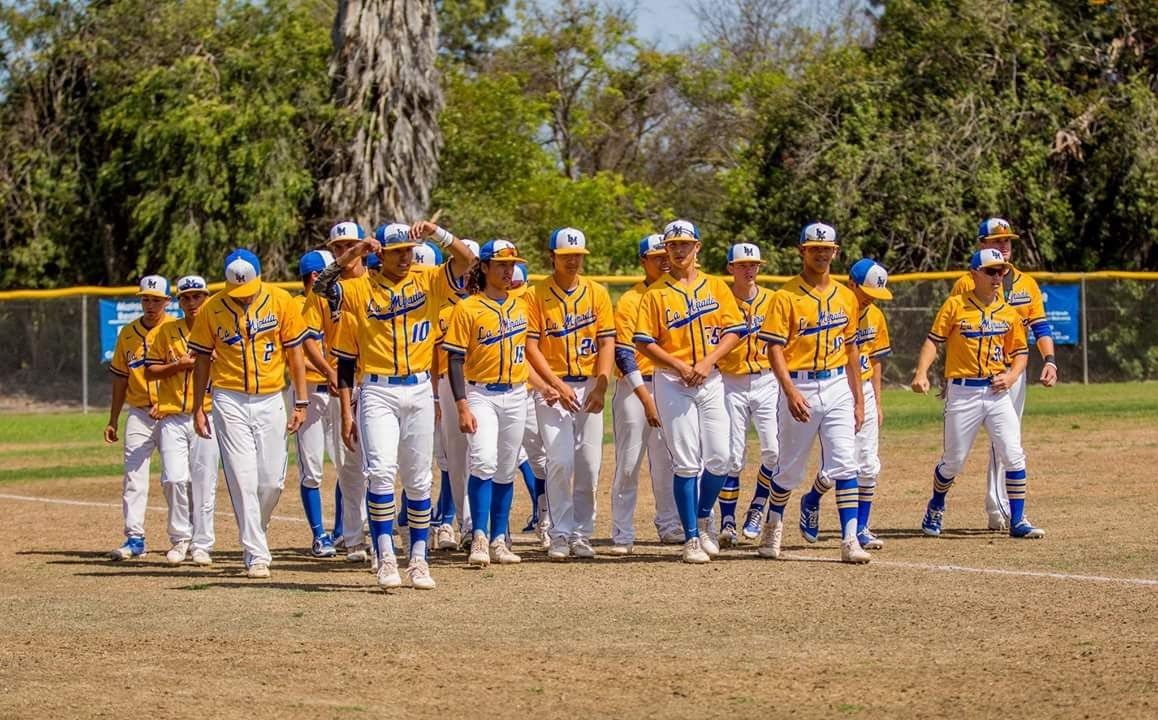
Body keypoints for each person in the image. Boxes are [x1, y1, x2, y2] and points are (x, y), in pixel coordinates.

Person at [332, 220, 475, 591]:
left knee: (418, 478)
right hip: (377, 389)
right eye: (396, 252)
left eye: (408, 250)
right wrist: (353, 254)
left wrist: (437, 234)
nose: (404, 258)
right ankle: (386, 557)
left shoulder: (427, 279)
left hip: (419, 387)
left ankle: (419, 560)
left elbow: (468, 260)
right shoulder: (359, 288)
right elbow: (321, 287)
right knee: (380, 473)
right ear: (381, 254)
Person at [189, 249, 310, 579]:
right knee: (243, 478)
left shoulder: (281, 301)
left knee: (271, 480)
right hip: (229, 398)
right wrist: (199, 406)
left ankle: (256, 524)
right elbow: (201, 361)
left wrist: (301, 401)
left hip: (271, 396)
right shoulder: (212, 309)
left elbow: (296, 353)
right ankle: (256, 553)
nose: (243, 297)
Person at [755, 222, 870, 564]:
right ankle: (773, 525)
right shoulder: (785, 297)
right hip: (799, 383)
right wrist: (789, 391)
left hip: (837, 385)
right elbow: (774, 349)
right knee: (789, 470)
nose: (821, 253)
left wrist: (859, 399)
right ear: (801, 251)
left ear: (836, 252)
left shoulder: (847, 297)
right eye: (814, 248)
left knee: (845, 464)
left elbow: (851, 351)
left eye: (827, 248)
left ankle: (850, 539)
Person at [912, 248, 1045, 540]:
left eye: (1002, 271)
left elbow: (1021, 353)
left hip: (996, 392)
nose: (998, 277)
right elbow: (934, 341)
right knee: (954, 461)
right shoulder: (955, 305)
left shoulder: (1009, 313)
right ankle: (936, 504)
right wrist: (922, 372)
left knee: (1014, 454)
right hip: (963, 393)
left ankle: (1018, 519)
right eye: (991, 271)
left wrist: (1011, 376)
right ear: (974, 274)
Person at [633, 219, 746, 564]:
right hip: (672, 381)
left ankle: (701, 515)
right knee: (685, 462)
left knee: (721, 458)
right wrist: (681, 366)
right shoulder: (656, 293)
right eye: (673, 245)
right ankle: (692, 538)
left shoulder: (716, 287)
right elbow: (643, 341)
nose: (679, 250)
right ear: (666, 251)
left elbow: (735, 329)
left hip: (710, 379)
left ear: (697, 247)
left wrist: (709, 361)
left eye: (685, 244)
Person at [951, 218, 1057, 531]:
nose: (1004, 246)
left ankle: (1000, 507)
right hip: (974, 375)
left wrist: (1049, 360)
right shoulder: (967, 283)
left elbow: (1040, 326)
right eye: (997, 241)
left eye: (1008, 241)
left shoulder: (1026, 284)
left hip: (1015, 369)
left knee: (1008, 440)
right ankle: (996, 507)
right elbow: (950, 331)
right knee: (958, 451)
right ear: (981, 245)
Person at [525, 227, 616, 561]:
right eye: (566, 256)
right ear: (552, 257)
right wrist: (554, 385)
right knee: (560, 460)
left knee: (589, 466)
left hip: (589, 384)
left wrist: (602, 384)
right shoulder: (535, 295)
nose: (573, 260)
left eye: (578, 255)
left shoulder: (597, 293)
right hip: (551, 388)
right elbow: (530, 346)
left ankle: (581, 533)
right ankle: (560, 533)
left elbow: (607, 341)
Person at [442, 239, 532, 567]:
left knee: (506, 468)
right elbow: (454, 358)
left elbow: (529, 351)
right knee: (483, 461)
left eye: (511, 265)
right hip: (480, 392)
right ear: (484, 267)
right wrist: (462, 404)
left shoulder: (522, 305)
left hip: (516, 392)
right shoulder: (467, 307)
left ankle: (499, 538)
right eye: (500, 265)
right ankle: (478, 536)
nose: (508, 271)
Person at [797, 258, 893, 551]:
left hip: (863, 386)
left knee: (868, 464)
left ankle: (860, 528)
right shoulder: (836, 307)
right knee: (840, 465)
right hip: (837, 386)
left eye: (875, 296)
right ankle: (811, 498)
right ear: (852, 285)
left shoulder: (875, 316)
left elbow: (875, 360)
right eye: (866, 293)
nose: (869, 300)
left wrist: (876, 401)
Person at [609, 234, 682, 554]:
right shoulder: (630, 300)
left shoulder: (678, 293)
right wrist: (646, 398)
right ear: (643, 261)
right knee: (629, 461)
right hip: (633, 386)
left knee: (668, 459)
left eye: (665, 253)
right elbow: (623, 354)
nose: (663, 260)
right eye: (655, 256)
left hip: (670, 383)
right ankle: (622, 532)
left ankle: (669, 525)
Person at [309, 221, 377, 562]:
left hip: (379, 380)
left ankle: (387, 535)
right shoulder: (331, 289)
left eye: (351, 244)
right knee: (350, 465)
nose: (345, 252)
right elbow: (321, 285)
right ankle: (353, 537)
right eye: (338, 247)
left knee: (382, 466)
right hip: (346, 383)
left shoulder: (377, 281)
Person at [143, 275, 220, 566]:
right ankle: (180, 538)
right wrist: (180, 364)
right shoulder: (167, 332)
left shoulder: (217, 327)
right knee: (174, 478)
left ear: (206, 297)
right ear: (179, 302)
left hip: (208, 413)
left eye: (197, 296)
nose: (192, 302)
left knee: (204, 481)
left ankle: (202, 543)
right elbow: (150, 371)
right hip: (173, 415)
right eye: (186, 297)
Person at [716, 243, 779, 547]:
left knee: (774, 450)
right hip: (731, 380)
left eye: (753, 264)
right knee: (731, 454)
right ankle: (727, 518)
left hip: (767, 380)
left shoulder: (773, 300)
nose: (749, 269)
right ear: (730, 268)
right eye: (742, 265)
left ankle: (757, 506)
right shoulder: (719, 301)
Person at [106, 275, 170, 560]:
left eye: (156, 299)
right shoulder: (127, 334)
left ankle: (184, 539)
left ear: (167, 301)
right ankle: (134, 538)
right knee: (133, 475)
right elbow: (120, 379)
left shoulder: (176, 330)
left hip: (173, 415)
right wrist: (112, 419)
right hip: (139, 412)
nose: (150, 304)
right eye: (145, 299)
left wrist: (170, 403)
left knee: (176, 479)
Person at [294, 249, 345, 559]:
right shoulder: (298, 308)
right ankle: (319, 535)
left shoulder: (340, 303)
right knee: (311, 469)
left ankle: (342, 530)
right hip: (312, 391)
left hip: (341, 391)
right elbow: (302, 349)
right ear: (316, 277)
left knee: (347, 466)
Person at [432, 239, 480, 551]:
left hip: (486, 383)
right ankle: (459, 522)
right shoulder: (439, 300)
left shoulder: (491, 301)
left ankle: (477, 525)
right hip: (446, 385)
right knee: (453, 458)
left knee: (486, 457)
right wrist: (436, 397)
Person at [510, 261, 551, 545]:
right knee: (497, 460)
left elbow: (529, 353)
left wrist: (544, 386)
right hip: (507, 390)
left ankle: (546, 517)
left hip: (530, 390)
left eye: (517, 288)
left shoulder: (532, 305)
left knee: (540, 457)